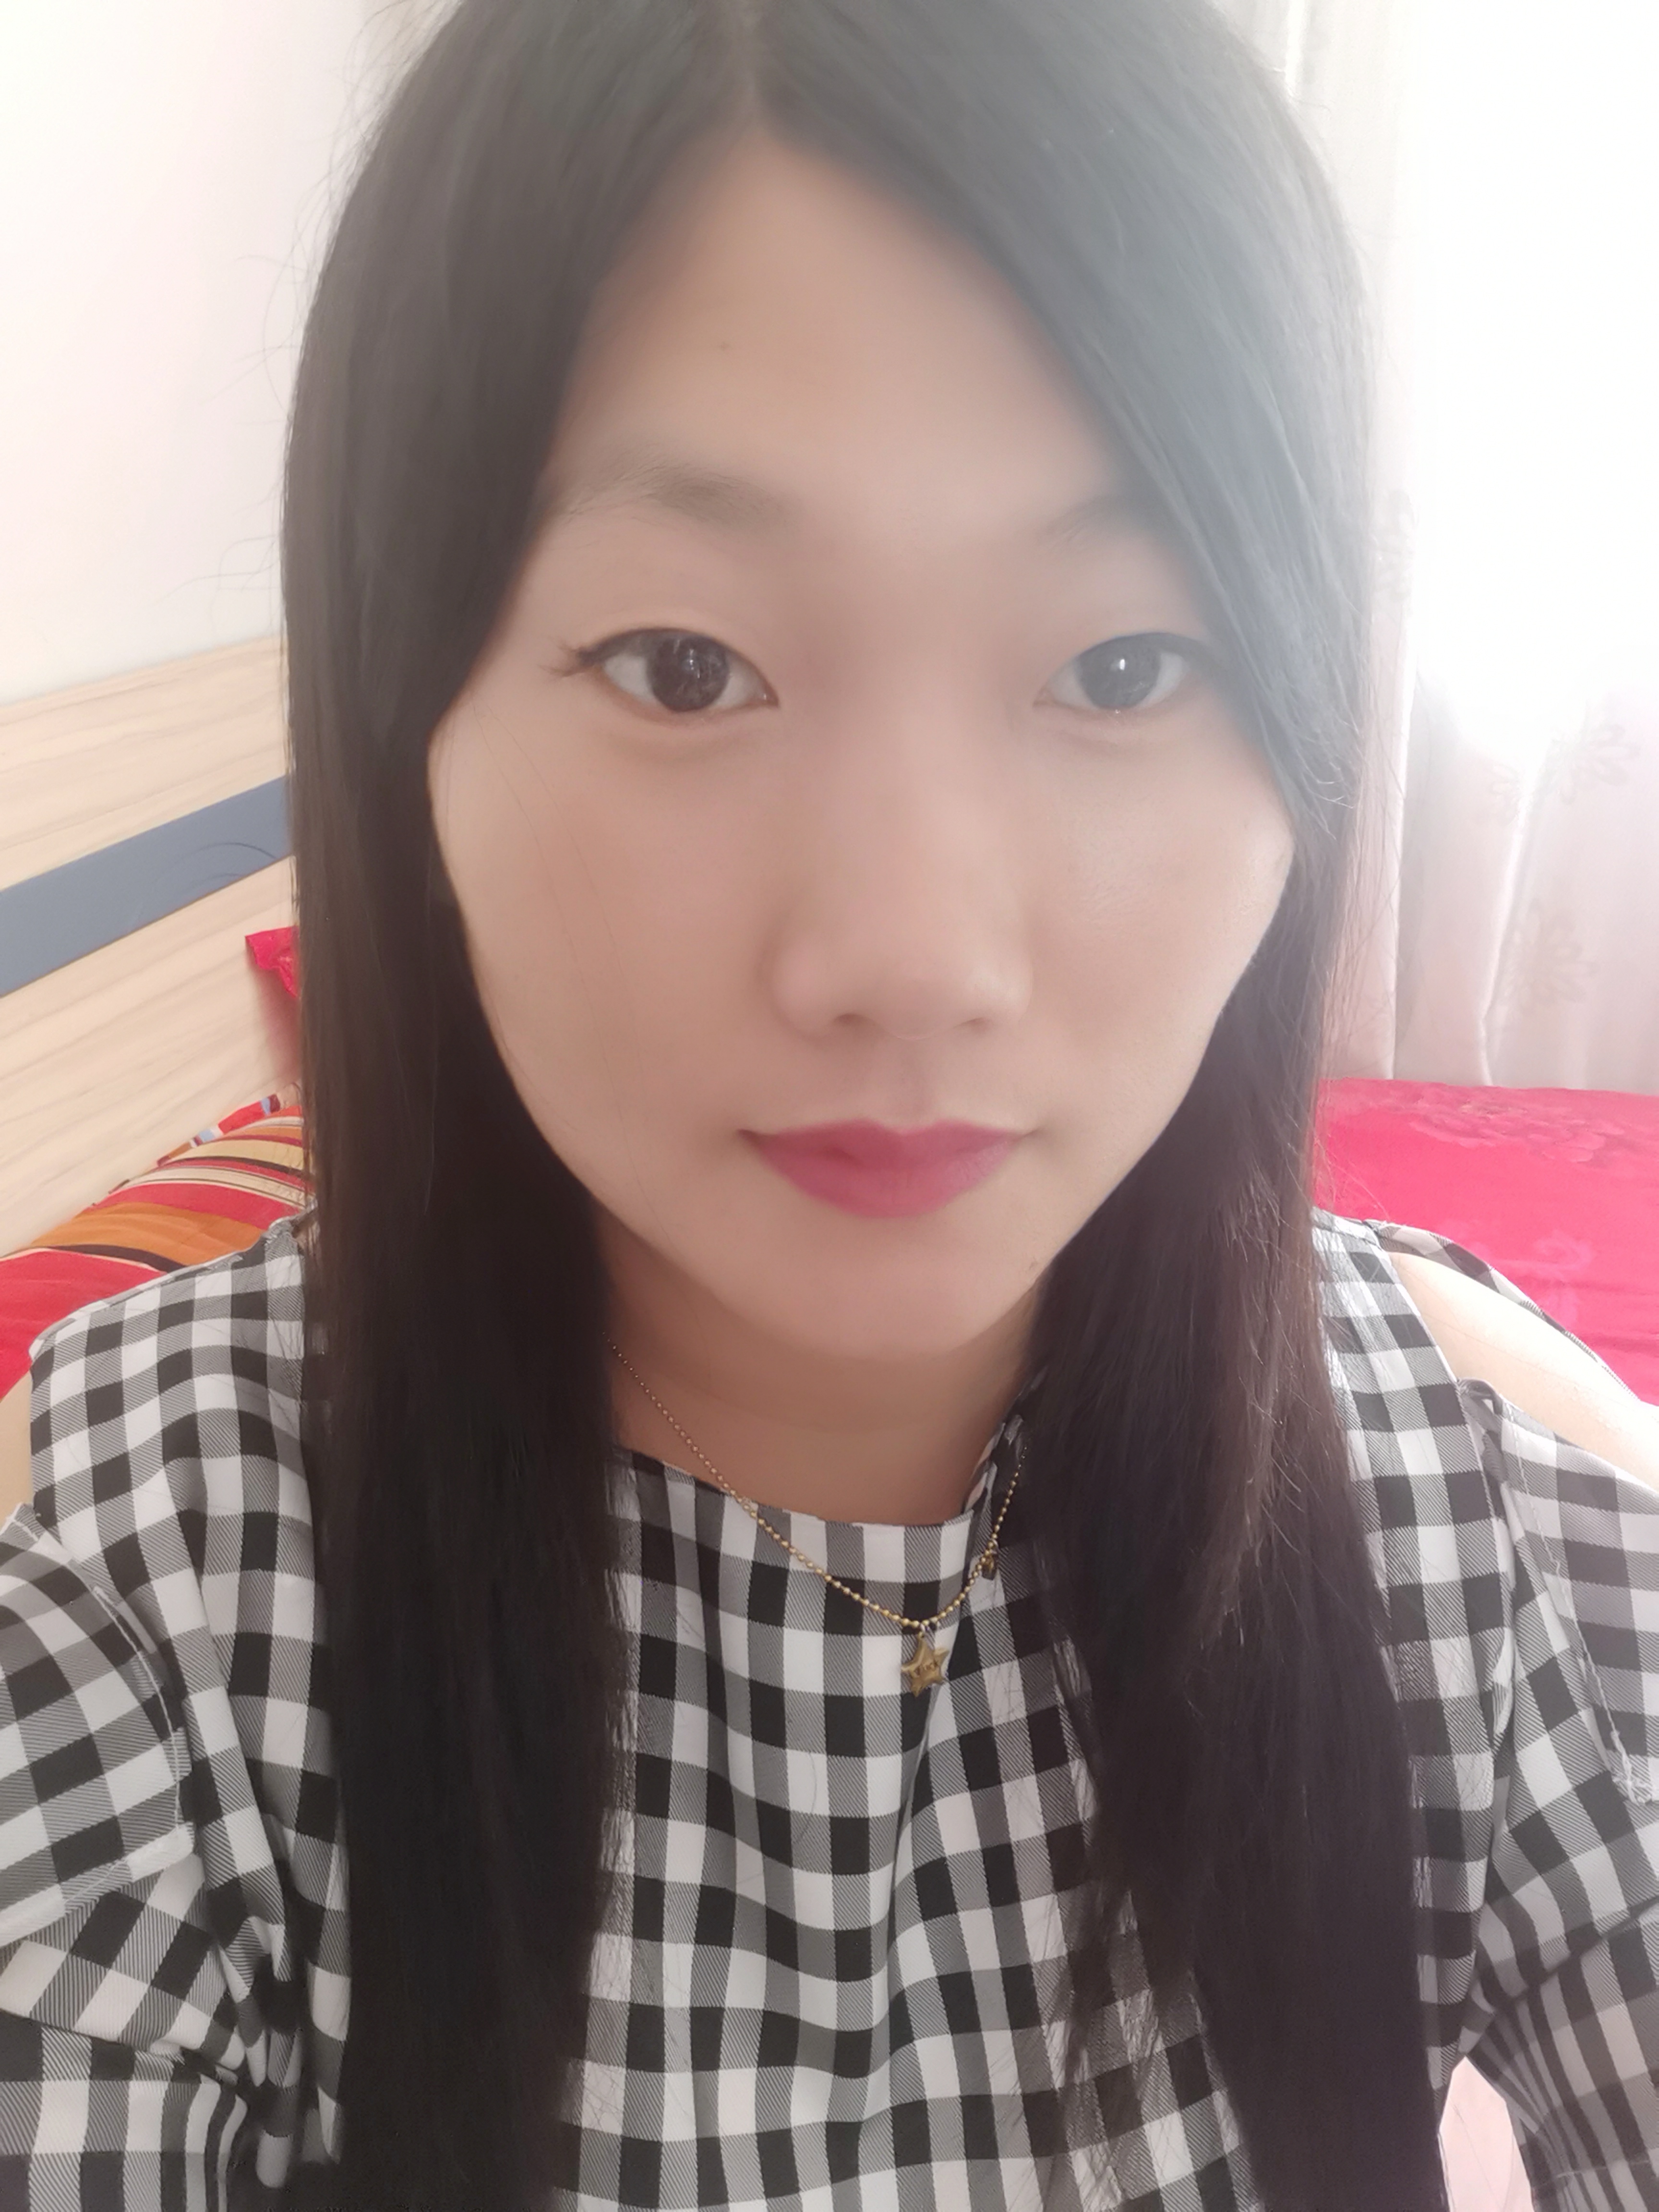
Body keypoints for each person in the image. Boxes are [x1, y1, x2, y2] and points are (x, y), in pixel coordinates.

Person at [1, 0, 1657, 2205]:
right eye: (686, 667)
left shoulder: (1480, 1510)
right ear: (407, 738)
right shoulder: (136, 1602)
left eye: (1124, 664)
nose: (915, 955)